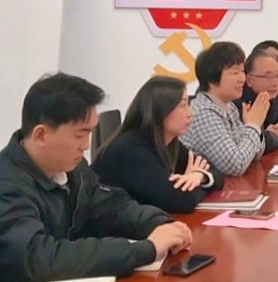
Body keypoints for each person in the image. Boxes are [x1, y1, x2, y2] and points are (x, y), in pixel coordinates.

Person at [0, 74, 191, 282]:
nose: (86, 145)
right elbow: (41, 261)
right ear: (41, 135)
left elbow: (111, 206)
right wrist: (144, 250)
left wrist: (159, 224)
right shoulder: (1, 190)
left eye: (90, 133)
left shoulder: (72, 167)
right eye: (79, 134)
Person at [93, 76, 225, 213]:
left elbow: (215, 173)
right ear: (160, 110)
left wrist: (199, 176)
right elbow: (181, 201)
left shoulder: (168, 141)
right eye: (183, 105)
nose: (190, 113)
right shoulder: (132, 149)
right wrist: (192, 184)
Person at [181, 41, 275, 175]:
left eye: (242, 71)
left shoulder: (230, 107)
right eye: (235, 72)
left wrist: (253, 126)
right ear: (212, 78)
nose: (242, 78)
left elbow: (255, 154)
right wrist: (253, 125)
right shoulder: (204, 113)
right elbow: (235, 165)